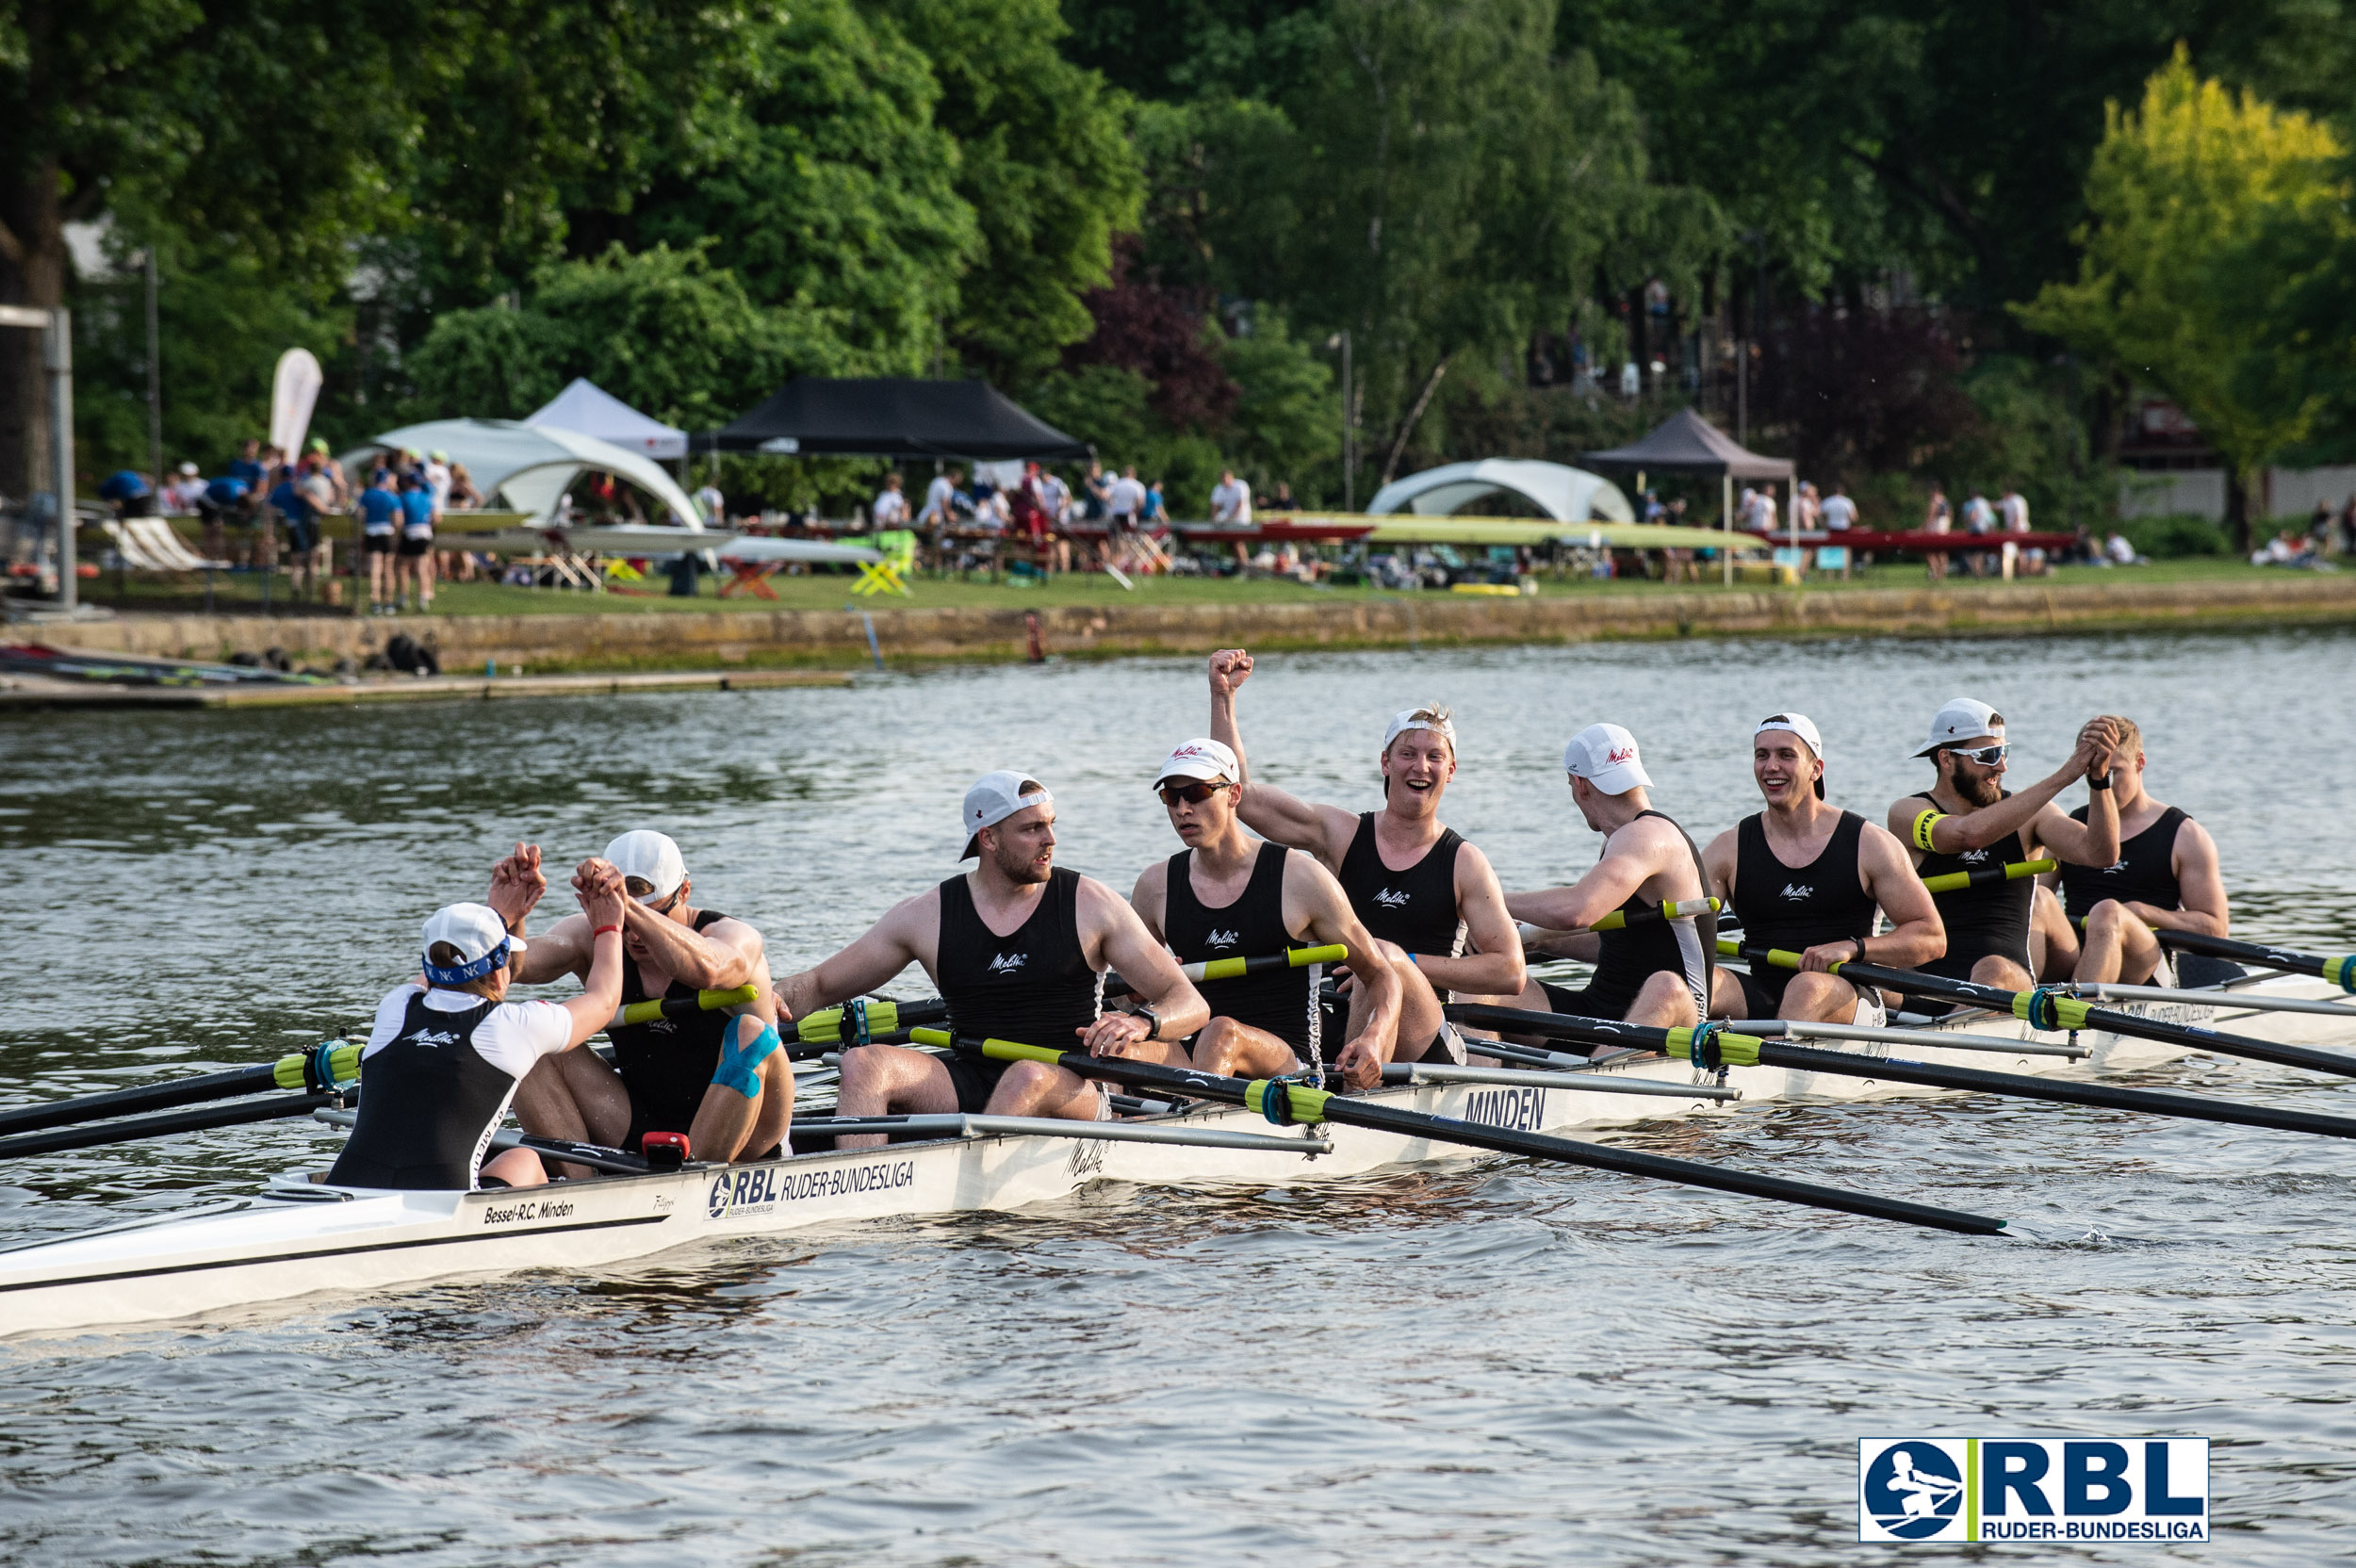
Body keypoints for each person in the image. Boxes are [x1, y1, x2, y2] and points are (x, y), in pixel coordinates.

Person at [776, 772, 1210, 1149]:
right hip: (971, 1079)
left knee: (1026, 1076)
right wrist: (769, 998)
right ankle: (859, 1184)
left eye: (1051, 826)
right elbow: (818, 986)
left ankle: (970, 1193)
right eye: (1032, 829)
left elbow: (1189, 1002)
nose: (1051, 840)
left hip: (1069, 1082)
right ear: (989, 838)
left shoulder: (1089, 904)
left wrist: (1142, 1023)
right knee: (864, 1063)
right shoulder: (929, 915)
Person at [1206, 648, 1524, 1068]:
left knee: (1384, 959)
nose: (1421, 766)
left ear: (1451, 771)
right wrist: (1222, 698)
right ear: (1386, 763)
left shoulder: (1464, 862)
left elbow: (1510, 971)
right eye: (1408, 754)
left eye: (1435, 757)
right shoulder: (1342, 834)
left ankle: (1348, 1086)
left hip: (1424, 1034)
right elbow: (1242, 798)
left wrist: (1402, 962)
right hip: (1338, 1016)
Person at [504, 832, 791, 1168]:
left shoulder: (735, 936)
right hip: (641, 1121)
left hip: (746, 1131)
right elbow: (512, 968)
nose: (634, 934)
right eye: (624, 922)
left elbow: (709, 969)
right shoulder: (590, 934)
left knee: (751, 1034)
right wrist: (509, 916)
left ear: (684, 891)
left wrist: (623, 906)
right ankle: (578, 1190)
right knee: (526, 1031)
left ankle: (695, 1178)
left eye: (650, 915)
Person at [1127, 738, 1402, 1086]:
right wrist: (1139, 993)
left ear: (1234, 795)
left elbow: (1381, 974)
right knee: (1109, 1035)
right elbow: (1123, 992)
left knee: (1222, 1032)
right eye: (1171, 796)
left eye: (1196, 793)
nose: (1182, 808)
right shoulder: (1155, 886)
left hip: (1291, 1067)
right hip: (1198, 1058)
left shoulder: (1299, 879)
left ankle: (1188, 1125)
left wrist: (1373, 1038)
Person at [325, 880, 629, 1192]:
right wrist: (608, 927)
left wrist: (498, 916)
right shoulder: (513, 1026)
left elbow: (432, 977)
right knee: (524, 1160)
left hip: (345, 1187)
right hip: (447, 1202)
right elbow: (604, 1000)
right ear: (499, 973)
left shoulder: (396, 1006)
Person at [1702, 714, 1944, 1024]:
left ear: (1816, 769)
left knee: (1806, 987)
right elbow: (1686, 930)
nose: (1771, 766)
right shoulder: (1728, 848)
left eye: (1786, 755)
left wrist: (1853, 948)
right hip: (1762, 991)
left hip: (1848, 993)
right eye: (1761, 755)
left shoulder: (1869, 844)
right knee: (1684, 984)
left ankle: (1768, 1062)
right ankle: (1638, 1061)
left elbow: (1932, 937)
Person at [1488, 725, 1716, 1030]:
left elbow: (1576, 910)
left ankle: (1588, 1070)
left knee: (1664, 987)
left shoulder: (1648, 837)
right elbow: (1618, 947)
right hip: (1601, 1012)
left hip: (1667, 1022)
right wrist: (1538, 941)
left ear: (1581, 784)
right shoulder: (1622, 840)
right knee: (1479, 988)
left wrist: (1484, 899)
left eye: (1570, 784)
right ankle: (1476, 1075)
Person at [1885, 699, 2121, 994]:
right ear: (1946, 759)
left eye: (2004, 751)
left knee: (1992, 968)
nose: (2001, 766)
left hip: (2007, 980)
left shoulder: (2032, 816)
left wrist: (2098, 780)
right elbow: (1966, 835)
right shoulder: (1907, 812)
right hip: (1928, 982)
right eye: (1988, 755)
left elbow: (2100, 854)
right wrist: (2065, 774)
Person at [2029, 717, 2229, 988]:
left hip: (2146, 966)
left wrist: (2142, 912)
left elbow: (2216, 929)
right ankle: (2009, 1004)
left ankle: (2076, 1013)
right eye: (2092, 772)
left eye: (2111, 773)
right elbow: (2025, 905)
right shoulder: (2071, 828)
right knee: (2037, 900)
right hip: (2075, 957)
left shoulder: (2185, 835)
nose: (2102, 783)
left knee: (2108, 913)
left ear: (2140, 762)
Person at [267, 464, 321, 602]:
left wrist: (269, 532)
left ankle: (296, 587)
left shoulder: (278, 490)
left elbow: (269, 511)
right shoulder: (298, 486)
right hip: (307, 525)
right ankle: (311, 589)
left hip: (291, 525)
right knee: (312, 557)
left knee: (296, 559)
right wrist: (323, 509)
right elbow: (310, 498)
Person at [356, 469, 402, 613]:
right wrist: (394, 531)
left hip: (371, 531)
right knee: (388, 568)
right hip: (387, 532)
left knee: (375, 567)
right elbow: (398, 519)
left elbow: (360, 515)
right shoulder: (392, 497)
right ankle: (388, 602)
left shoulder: (366, 495)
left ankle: (375, 601)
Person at [397, 470, 438, 612]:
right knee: (422, 567)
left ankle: (403, 597)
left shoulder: (403, 497)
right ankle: (423, 598)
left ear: (408, 482)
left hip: (409, 532)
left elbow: (399, 518)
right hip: (424, 532)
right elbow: (436, 518)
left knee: (403, 566)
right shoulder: (427, 498)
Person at [1922, 485, 1952, 581]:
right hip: (1944, 528)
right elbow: (1950, 515)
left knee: (1930, 551)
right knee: (1942, 552)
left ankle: (1935, 573)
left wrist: (1923, 528)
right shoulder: (1945, 501)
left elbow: (1931, 515)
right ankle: (1941, 575)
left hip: (1935, 528)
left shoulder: (1934, 501)